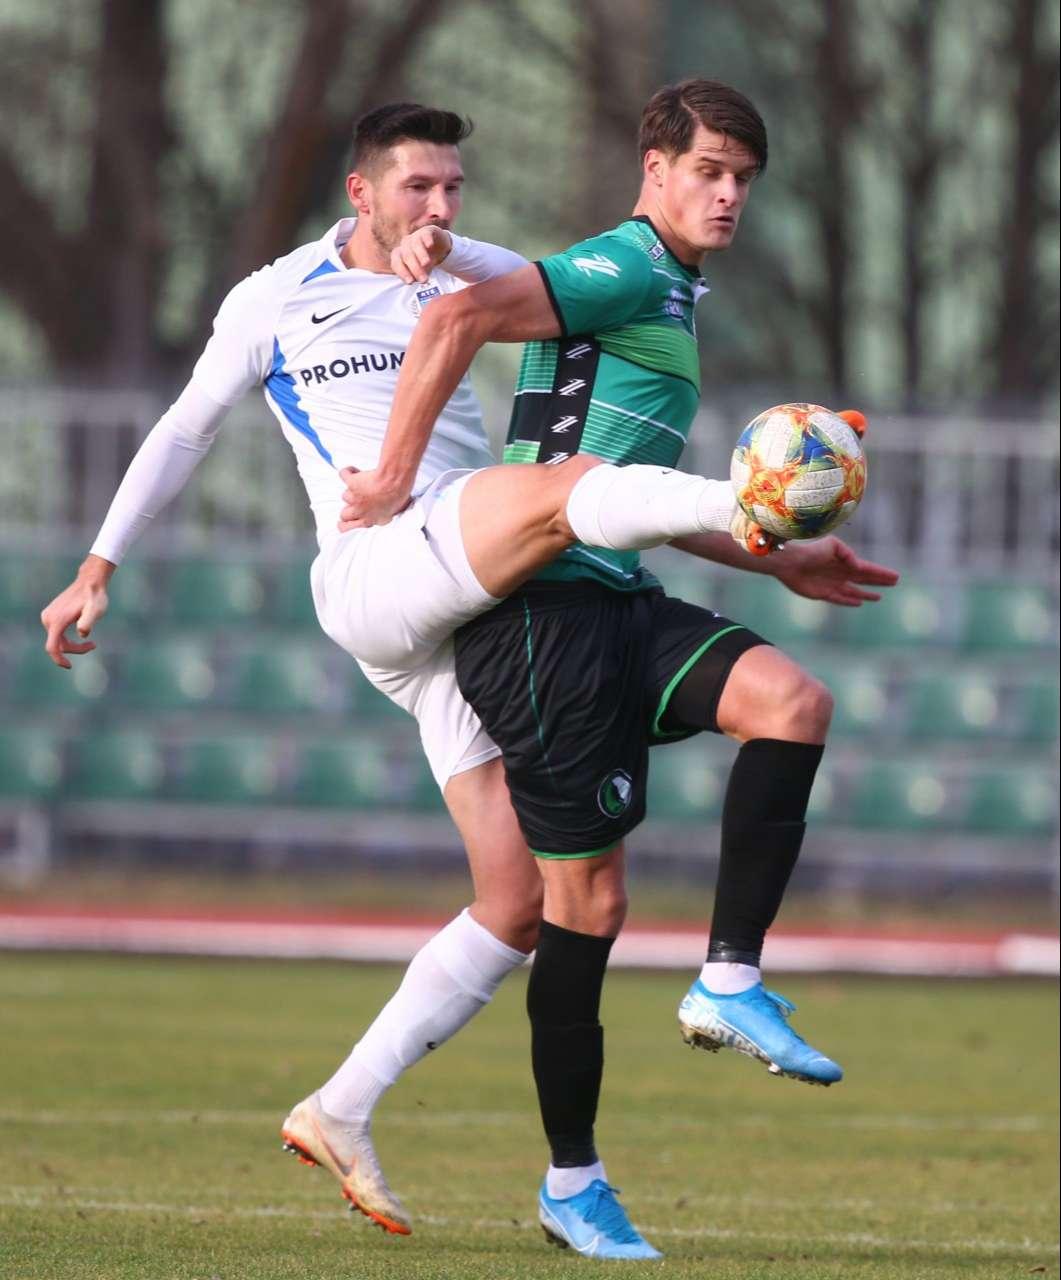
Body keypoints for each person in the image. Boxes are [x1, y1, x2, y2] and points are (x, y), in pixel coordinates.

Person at [40, 97, 894, 1256]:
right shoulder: (273, 298)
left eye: (452, 187)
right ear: (361, 191)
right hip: (378, 564)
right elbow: (186, 428)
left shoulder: (468, 265)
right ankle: (752, 493)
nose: (439, 206)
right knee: (568, 488)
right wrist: (98, 565)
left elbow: (526, 339)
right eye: (418, 187)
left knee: (517, 902)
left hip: (465, 587)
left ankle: (341, 1104)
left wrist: (771, 555)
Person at [335, 78, 899, 1259]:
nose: (727, 194)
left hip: (616, 597)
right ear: (655, 168)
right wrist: (390, 478)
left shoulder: (671, 288)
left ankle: (728, 979)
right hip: (540, 626)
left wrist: (781, 557)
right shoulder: (627, 264)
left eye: (742, 178)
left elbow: (623, 494)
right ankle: (571, 1182)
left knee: (791, 703)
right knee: (582, 905)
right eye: (708, 171)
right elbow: (453, 321)